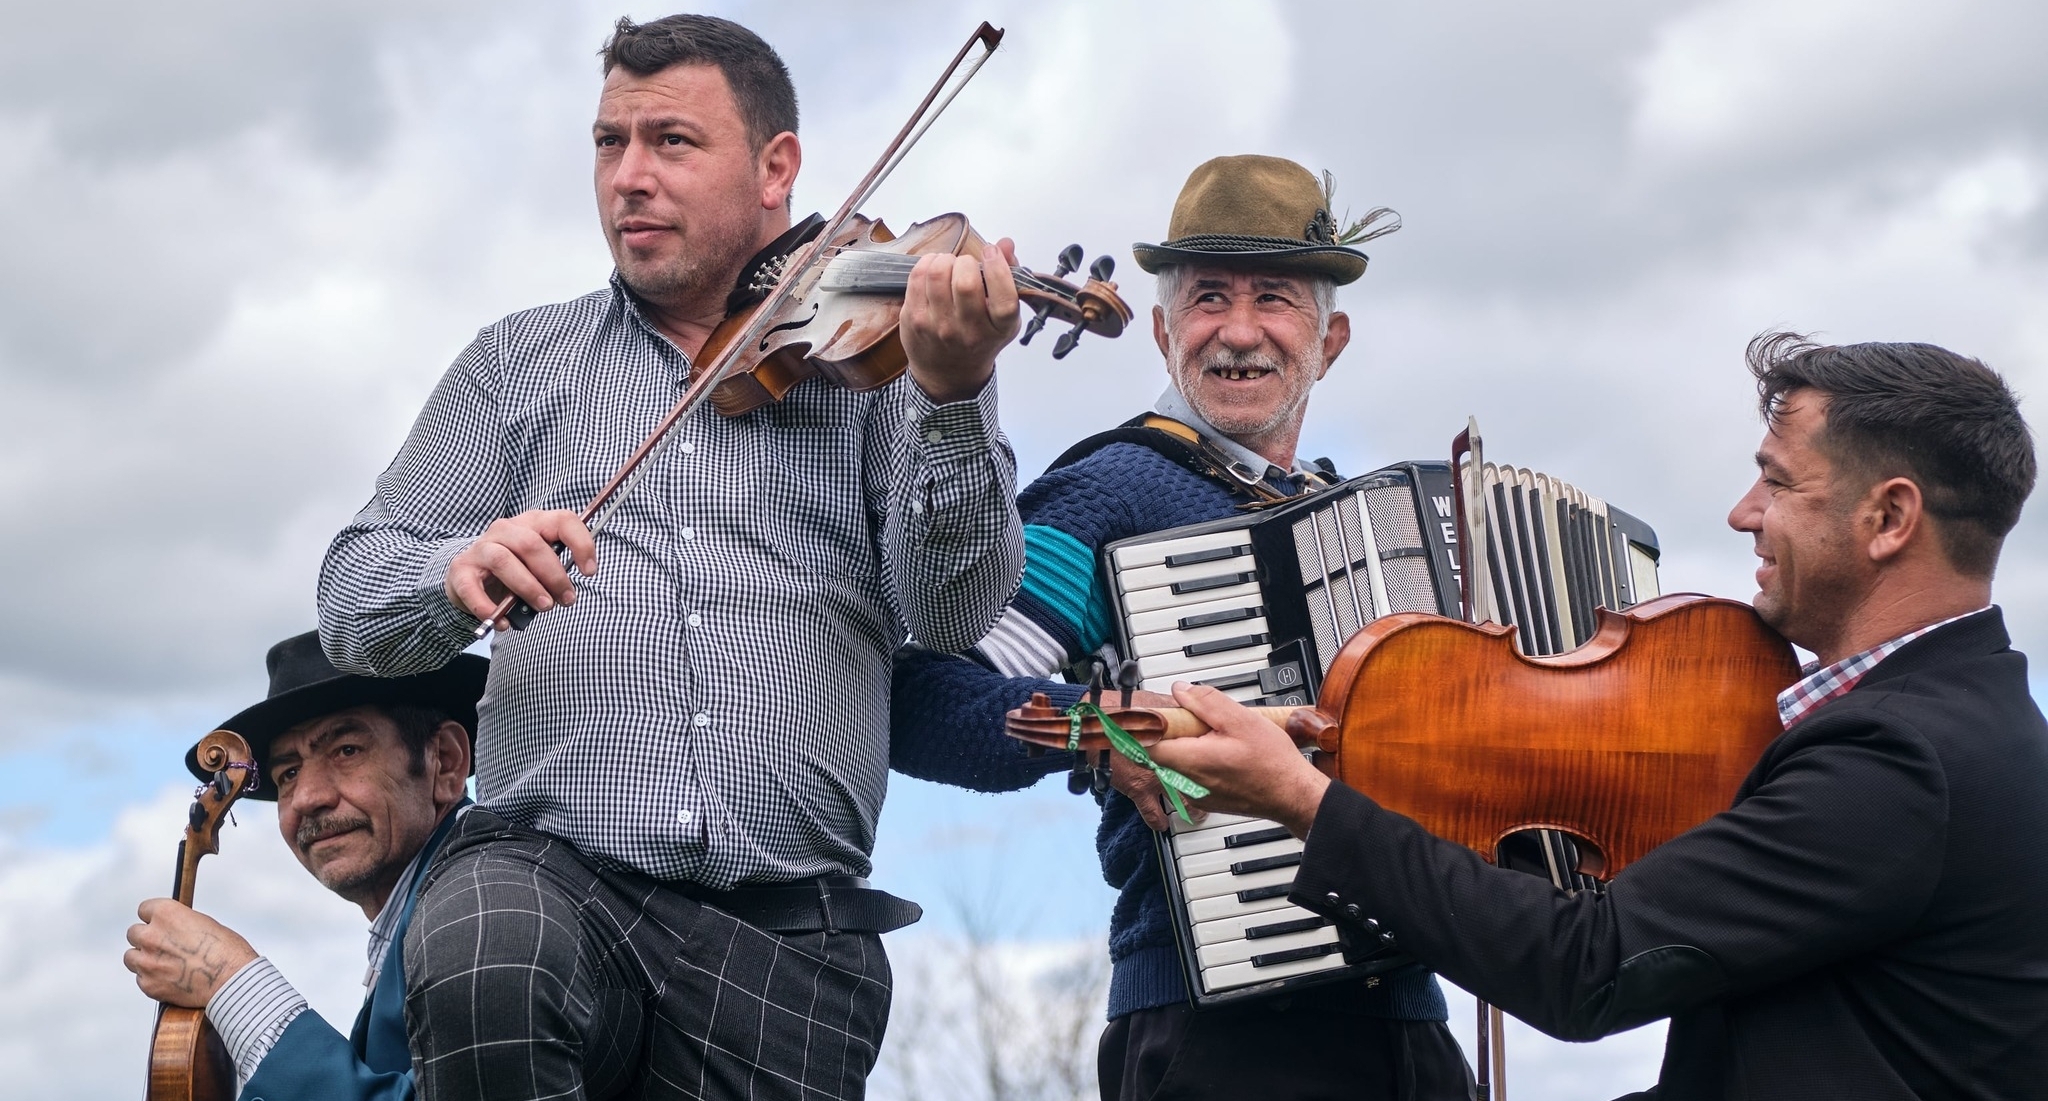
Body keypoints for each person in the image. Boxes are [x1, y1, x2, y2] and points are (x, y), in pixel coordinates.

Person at [315, 14, 1024, 1101]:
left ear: (776, 168)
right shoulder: (516, 364)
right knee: (482, 942)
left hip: (790, 932)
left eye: (672, 143)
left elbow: (949, 612)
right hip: (551, 872)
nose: (629, 178)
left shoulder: (881, 370)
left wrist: (954, 395)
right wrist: (455, 569)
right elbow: (351, 595)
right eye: (610, 143)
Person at [1148, 334, 2048, 1099]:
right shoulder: (1975, 725)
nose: (1744, 514)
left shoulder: (1896, 759)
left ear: (1889, 517)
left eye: (1777, 484)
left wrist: (1304, 800)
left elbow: (1589, 963)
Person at [890, 154, 1472, 1100]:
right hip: (1213, 1039)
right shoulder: (1109, 494)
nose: (1238, 331)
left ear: (1332, 341)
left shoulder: (1383, 531)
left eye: (1275, 298)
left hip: (1411, 1028)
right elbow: (925, 699)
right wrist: (1107, 726)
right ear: (1163, 331)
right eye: (1208, 298)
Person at [124, 631, 484, 1101]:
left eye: (347, 750)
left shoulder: (478, 902)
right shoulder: (421, 914)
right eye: (288, 772)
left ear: (446, 762)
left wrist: (230, 980)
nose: (309, 798)